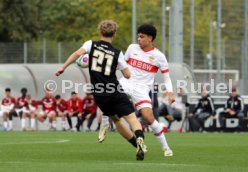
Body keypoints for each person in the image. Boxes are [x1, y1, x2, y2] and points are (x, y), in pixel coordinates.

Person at [55, 20, 147, 160]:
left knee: (116, 120)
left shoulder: (90, 44)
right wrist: (117, 66)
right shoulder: (117, 53)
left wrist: (63, 67)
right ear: (114, 34)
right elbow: (128, 75)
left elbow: (76, 54)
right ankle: (140, 139)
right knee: (132, 119)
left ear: (100, 32)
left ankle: (136, 144)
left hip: (99, 94)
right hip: (114, 90)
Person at [100, 24, 174, 156]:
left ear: (150, 38)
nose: (139, 39)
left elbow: (166, 78)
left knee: (148, 118)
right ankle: (105, 125)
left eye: (142, 37)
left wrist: (170, 93)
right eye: (138, 36)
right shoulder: (132, 48)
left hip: (142, 90)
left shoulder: (159, 56)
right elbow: (122, 65)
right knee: (108, 93)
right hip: (126, 83)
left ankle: (166, 148)